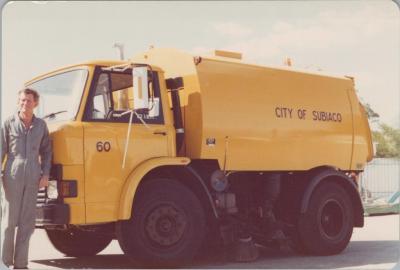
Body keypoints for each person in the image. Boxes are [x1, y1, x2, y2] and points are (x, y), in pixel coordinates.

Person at [1, 88, 52, 269]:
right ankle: (5, 263)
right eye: (22, 100)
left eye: (29, 101)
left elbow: (47, 151)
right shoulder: (8, 123)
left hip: (33, 176)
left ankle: (21, 264)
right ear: (18, 102)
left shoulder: (41, 125)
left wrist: (45, 174)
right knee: (9, 222)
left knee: (27, 223)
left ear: (35, 103)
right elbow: (1, 150)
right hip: (12, 175)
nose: (25, 103)